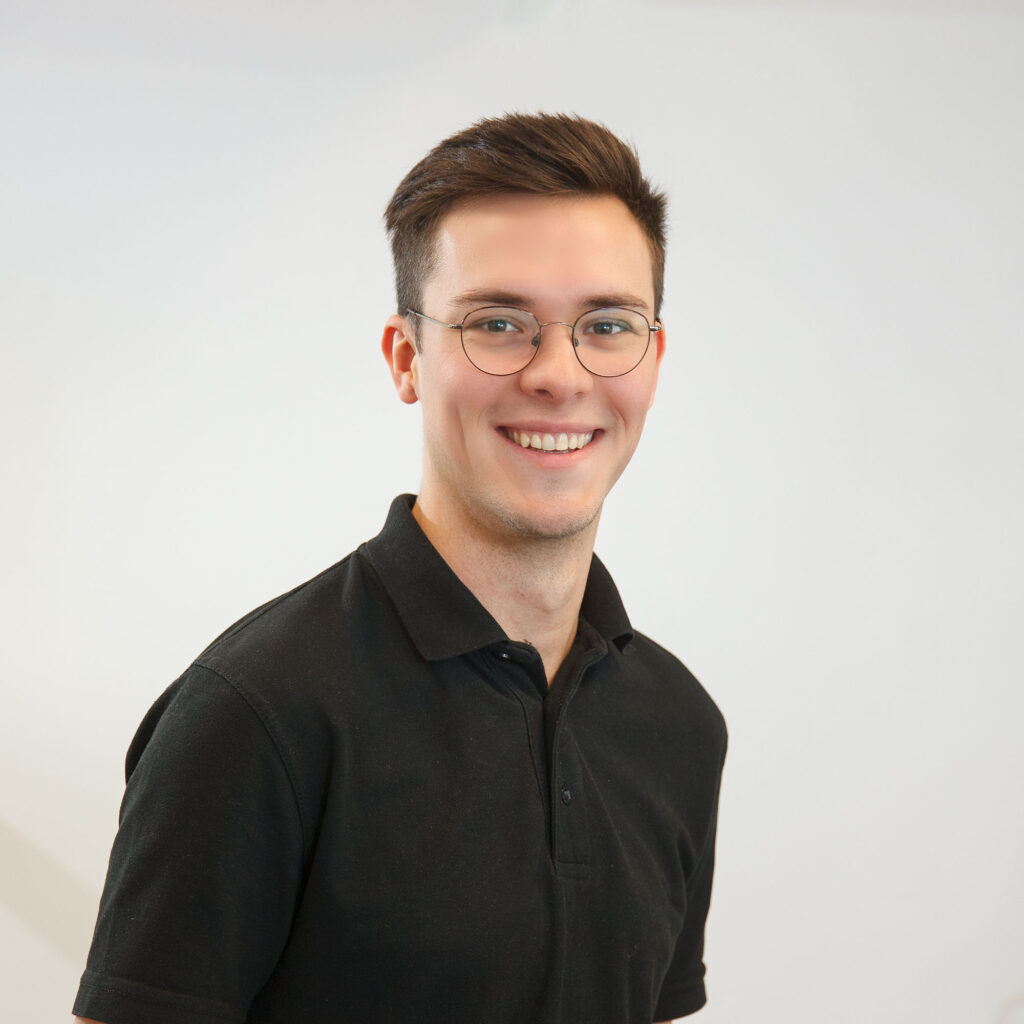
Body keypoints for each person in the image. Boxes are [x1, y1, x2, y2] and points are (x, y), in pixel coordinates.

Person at [73, 112, 727, 1024]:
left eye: (606, 324)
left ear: (652, 358)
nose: (558, 374)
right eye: (497, 323)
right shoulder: (258, 714)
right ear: (406, 358)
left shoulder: (680, 725)